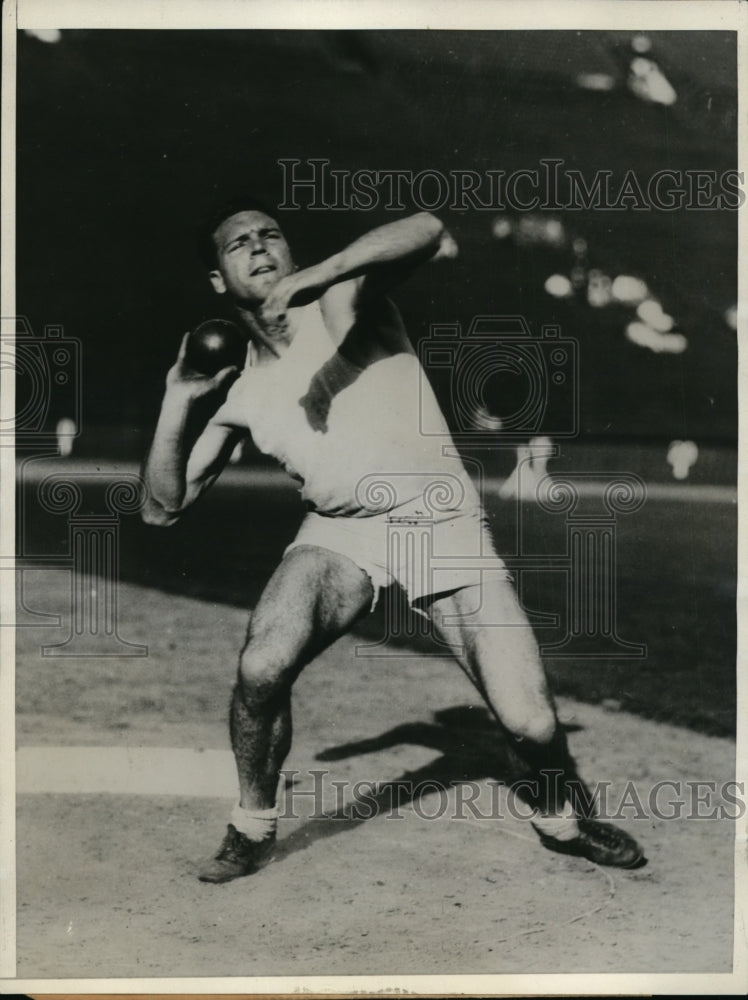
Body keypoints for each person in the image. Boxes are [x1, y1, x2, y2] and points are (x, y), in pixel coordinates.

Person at [142, 199, 645, 882]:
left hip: (435, 521)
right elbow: (161, 509)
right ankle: (251, 824)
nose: (260, 248)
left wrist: (325, 271)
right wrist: (178, 396)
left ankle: (558, 816)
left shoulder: (342, 301)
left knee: (529, 723)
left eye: (271, 236)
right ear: (217, 282)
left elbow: (429, 229)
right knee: (261, 668)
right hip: (340, 531)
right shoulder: (242, 393)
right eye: (239, 245)